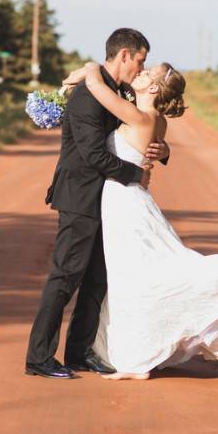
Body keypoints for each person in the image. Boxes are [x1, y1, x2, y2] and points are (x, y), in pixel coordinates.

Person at [67, 60, 218, 380]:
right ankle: (140, 349)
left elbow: (98, 89)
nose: (140, 74)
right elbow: (155, 143)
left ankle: (136, 356)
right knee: (137, 273)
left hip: (124, 202)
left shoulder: (138, 115)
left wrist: (89, 67)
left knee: (130, 277)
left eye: (146, 74)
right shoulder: (155, 120)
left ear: (153, 88)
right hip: (131, 200)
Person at [25, 28, 170, 379]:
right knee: (65, 277)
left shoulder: (115, 92)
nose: (141, 67)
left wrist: (162, 151)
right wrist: (136, 176)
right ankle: (39, 358)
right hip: (79, 197)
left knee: (97, 280)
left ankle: (79, 352)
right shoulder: (88, 96)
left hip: (107, 201)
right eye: (140, 60)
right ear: (124, 55)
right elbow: (92, 154)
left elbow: (146, 128)